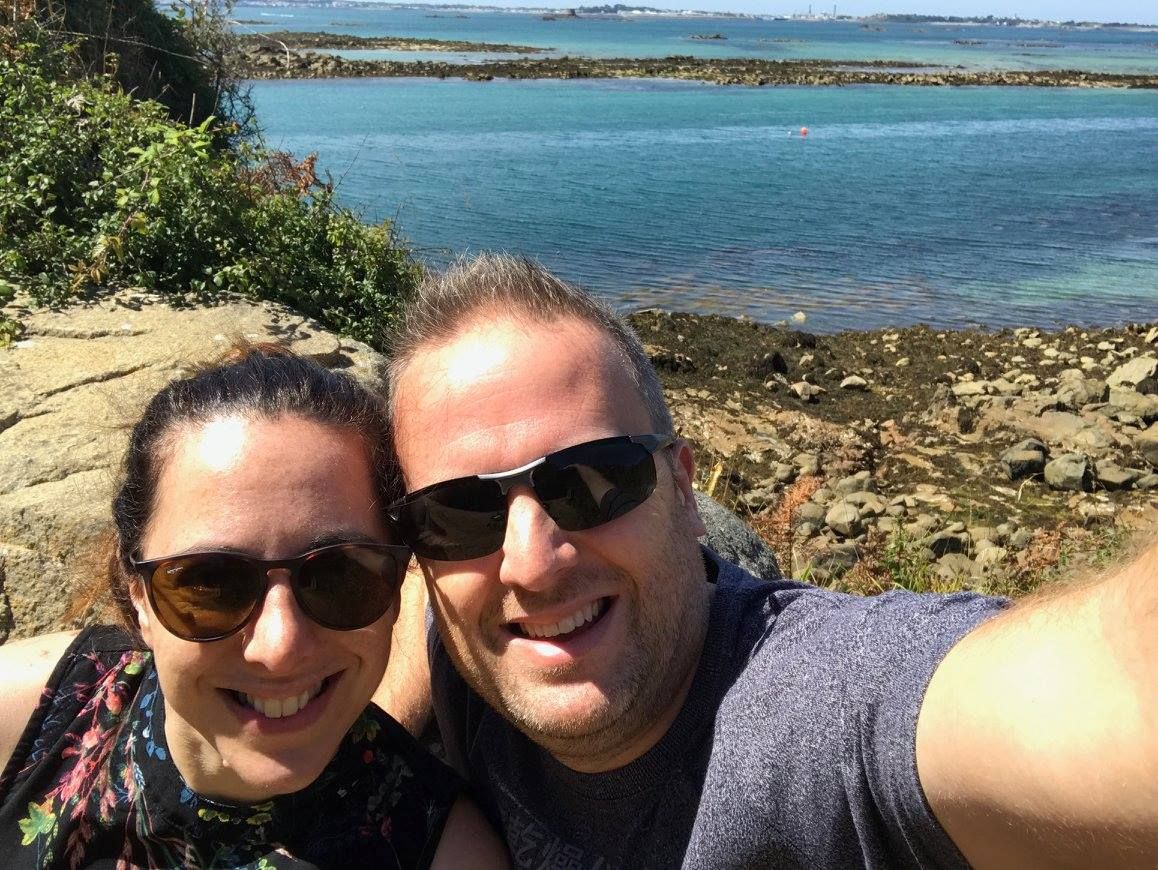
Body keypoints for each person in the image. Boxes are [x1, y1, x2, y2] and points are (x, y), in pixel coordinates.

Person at [383, 254, 1157, 868]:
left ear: (683, 489)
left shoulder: (815, 713)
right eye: (459, 514)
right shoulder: (460, 654)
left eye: (591, 481)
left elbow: (1110, 688)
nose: (529, 564)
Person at [0, 345, 508, 869]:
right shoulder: (27, 718)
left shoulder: (448, 853)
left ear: (397, 592)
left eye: (340, 576)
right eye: (212, 582)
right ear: (139, 596)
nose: (280, 646)